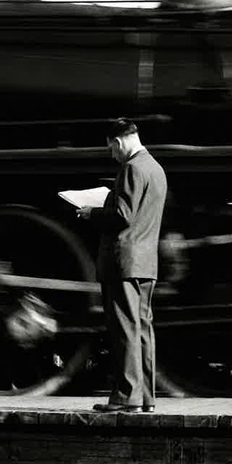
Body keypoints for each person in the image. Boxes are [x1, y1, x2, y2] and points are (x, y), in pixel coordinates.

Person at [78, 118, 167, 412]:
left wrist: (92, 212)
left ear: (118, 142)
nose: (112, 155)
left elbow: (122, 216)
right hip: (145, 263)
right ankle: (146, 399)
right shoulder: (156, 168)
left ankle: (126, 397)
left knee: (124, 330)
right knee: (142, 329)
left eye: (111, 149)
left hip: (124, 263)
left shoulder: (131, 168)